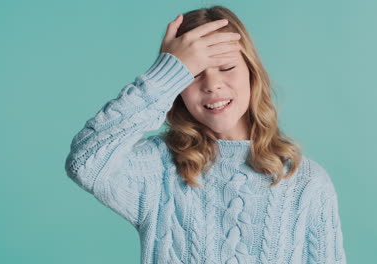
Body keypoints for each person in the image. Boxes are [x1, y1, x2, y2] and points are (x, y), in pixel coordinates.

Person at [64, 5, 347, 264]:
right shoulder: (157, 169)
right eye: (194, 74)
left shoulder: (307, 183)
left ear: (252, 72)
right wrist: (165, 74)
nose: (212, 85)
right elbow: (85, 163)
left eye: (227, 68)